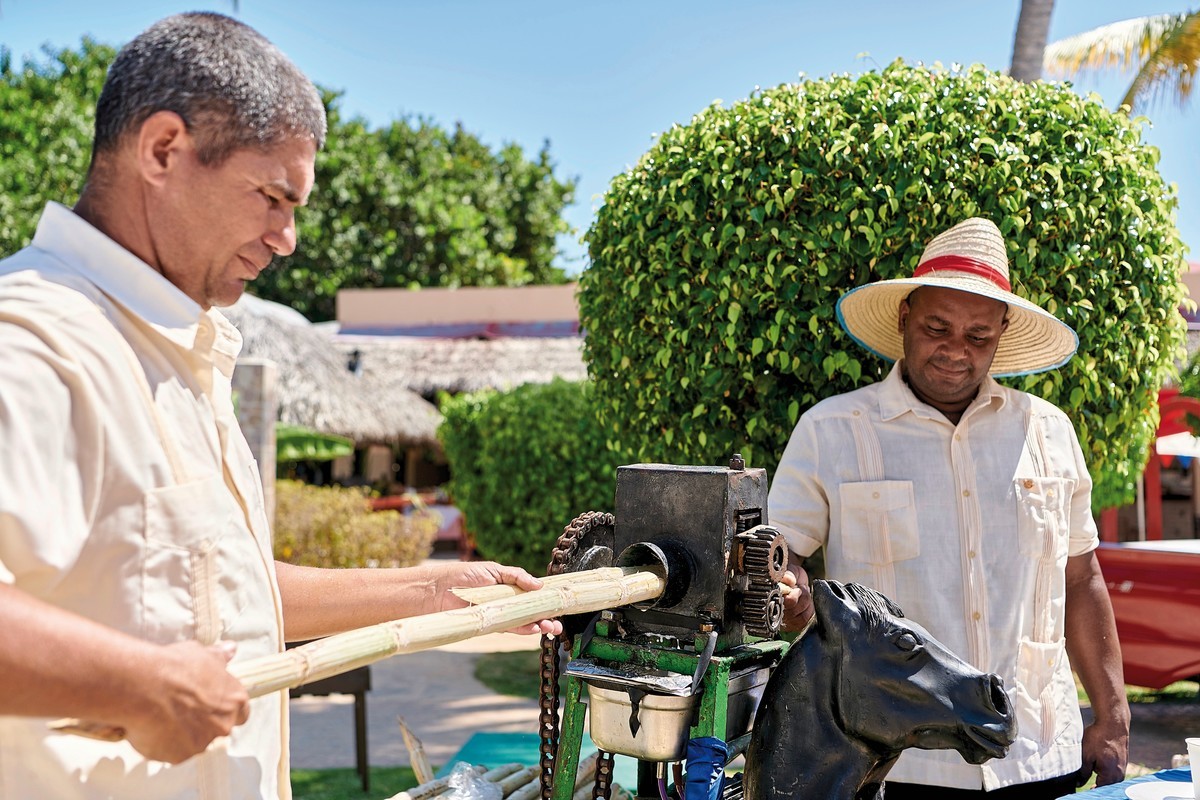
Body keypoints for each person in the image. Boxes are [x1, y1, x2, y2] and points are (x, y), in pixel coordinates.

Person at [0, 13, 559, 799]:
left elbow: (223, 595)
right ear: (163, 150)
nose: (287, 237)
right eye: (271, 197)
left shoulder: (175, 350)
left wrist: (435, 593)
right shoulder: (35, 340)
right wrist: (139, 684)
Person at [769, 217, 1129, 798]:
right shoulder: (832, 430)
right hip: (896, 766)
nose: (956, 350)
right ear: (904, 317)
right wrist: (788, 591)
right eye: (937, 327)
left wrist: (1113, 715)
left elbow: (1080, 578)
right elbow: (779, 555)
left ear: (1002, 333)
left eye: (979, 336)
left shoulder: (1048, 432)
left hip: (1038, 753)